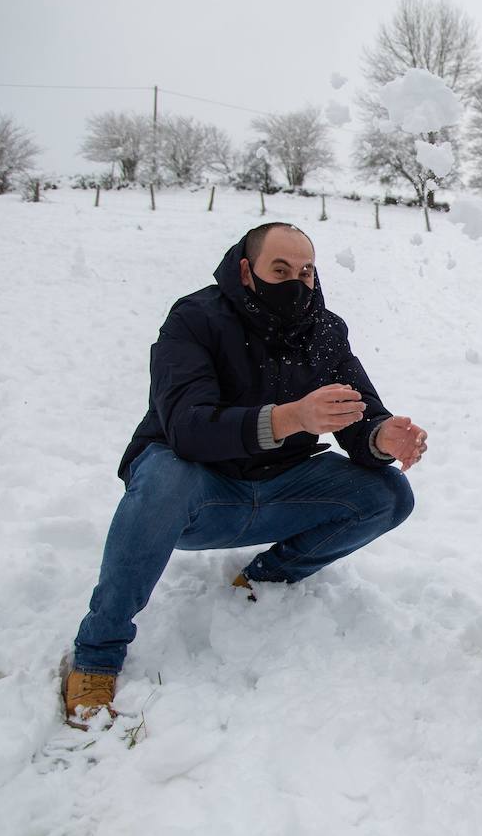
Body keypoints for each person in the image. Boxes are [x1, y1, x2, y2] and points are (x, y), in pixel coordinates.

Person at [63, 223, 427, 728]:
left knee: (389, 493)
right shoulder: (195, 319)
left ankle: (262, 581)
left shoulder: (324, 330)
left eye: (305, 272)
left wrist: (381, 436)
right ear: (245, 270)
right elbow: (187, 428)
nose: (296, 284)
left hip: (282, 489)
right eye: (280, 270)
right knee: (166, 473)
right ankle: (98, 650)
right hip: (195, 498)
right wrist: (291, 418)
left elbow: (356, 411)